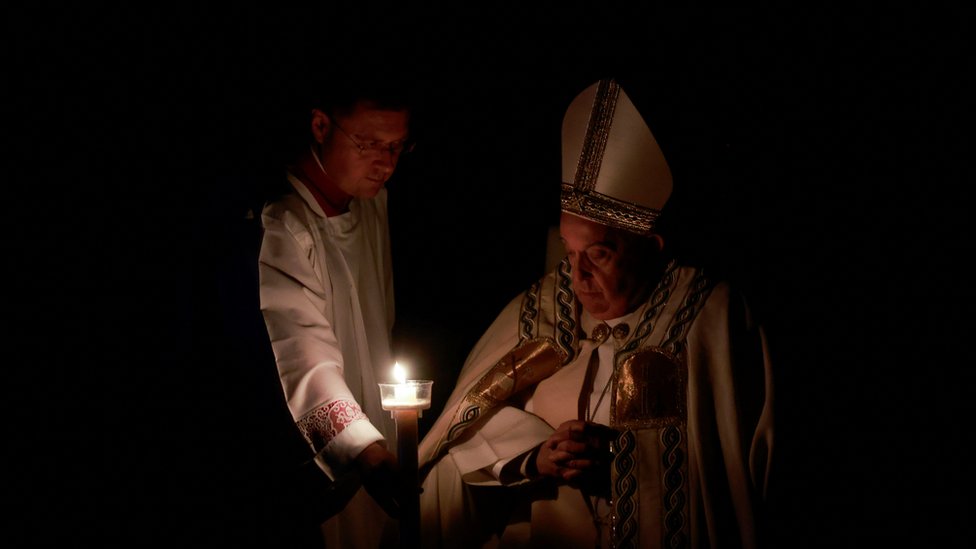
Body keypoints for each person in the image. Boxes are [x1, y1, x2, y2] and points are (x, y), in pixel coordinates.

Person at [416, 78, 774, 548]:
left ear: (650, 248)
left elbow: (737, 468)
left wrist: (630, 468)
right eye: (568, 250)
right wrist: (535, 457)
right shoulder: (541, 309)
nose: (577, 275)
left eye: (599, 255)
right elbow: (460, 441)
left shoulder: (711, 318)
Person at [258, 72, 416, 548]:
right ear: (321, 126)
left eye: (397, 147)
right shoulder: (284, 226)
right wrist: (363, 450)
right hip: (328, 461)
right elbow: (301, 353)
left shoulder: (372, 206)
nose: (385, 163)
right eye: (368, 143)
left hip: (380, 428)